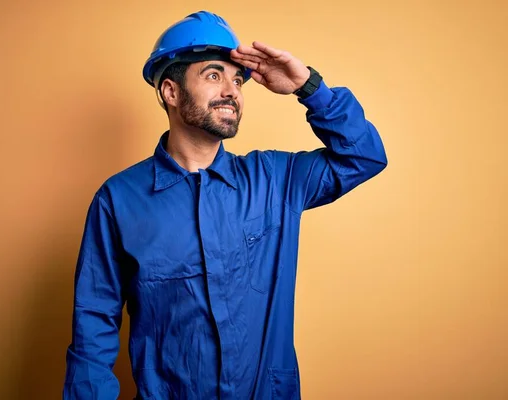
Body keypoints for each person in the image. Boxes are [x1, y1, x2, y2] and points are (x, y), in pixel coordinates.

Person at [63, 10, 387, 400]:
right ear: (171, 92)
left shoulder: (274, 179)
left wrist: (309, 87)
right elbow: (92, 329)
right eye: (214, 75)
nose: (233, 91)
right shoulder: (118, 200)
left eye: (237, 80)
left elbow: (365, 156)